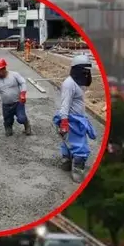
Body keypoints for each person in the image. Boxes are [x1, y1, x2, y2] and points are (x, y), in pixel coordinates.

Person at [53, 54, 97, 182]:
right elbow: (64, 104)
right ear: (77, 69)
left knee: (69, 142)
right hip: (72, 120)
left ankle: (66, 162)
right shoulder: (69, 84)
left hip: (77, 117)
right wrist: (65, 122)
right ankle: (77, 169)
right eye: (84, 71)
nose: (86, 73)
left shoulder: (78, 83)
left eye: (88, 71)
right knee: (79, 146)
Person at [0, 58, 31, 137]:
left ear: (4, 68)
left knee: (21, 118)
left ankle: (26, 124)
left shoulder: (14, 75)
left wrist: (23, 94)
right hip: (6, 105)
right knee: (7, 120)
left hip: (18, 103)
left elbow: (23, 83)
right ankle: (8, 128)